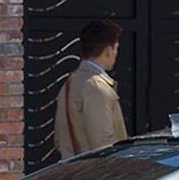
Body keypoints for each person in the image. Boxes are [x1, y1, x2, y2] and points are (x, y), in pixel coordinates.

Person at [54, 20, 128, 158]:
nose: (116, 53)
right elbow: (104, 143)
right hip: (98, 173)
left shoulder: (70, 83)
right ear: (108, 50)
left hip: (73, 170)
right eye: (116, 47)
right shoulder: (96, 87)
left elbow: (59, 139)